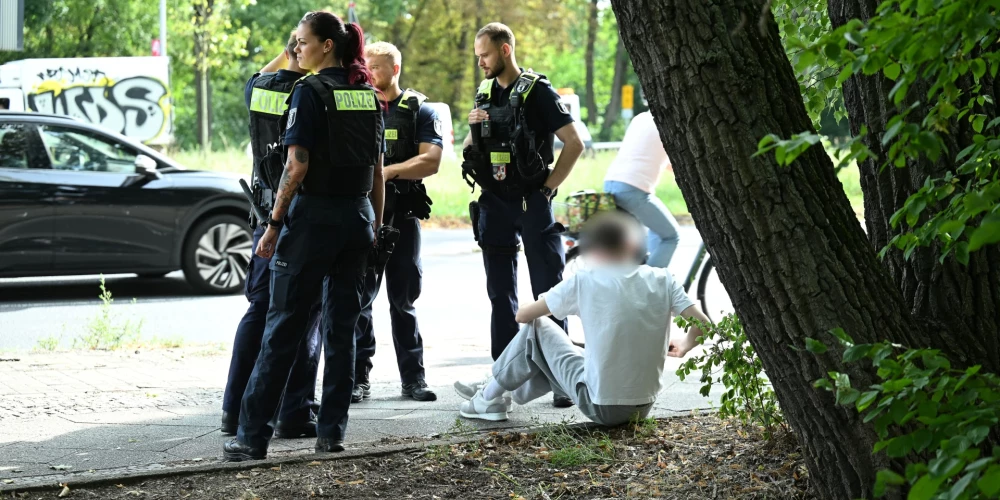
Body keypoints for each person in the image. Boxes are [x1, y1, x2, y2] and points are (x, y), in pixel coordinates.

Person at [223, 10, 386, 461]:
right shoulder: (366, 95)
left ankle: (251, 437)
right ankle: (331, 433)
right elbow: (376, 172)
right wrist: (374, 222)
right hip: (357, 219)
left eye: (303, 41)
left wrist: (274, 223)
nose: (298, 50)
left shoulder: (308, 91)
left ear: (327, 45)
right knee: (341, 330)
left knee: (283, 326)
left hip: (311, 220)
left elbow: (296, 165)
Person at [455, 211, 709, 424]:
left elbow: (524, 316)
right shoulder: (663, 279)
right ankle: (498, 388)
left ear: (593, 250)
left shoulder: (585, 281)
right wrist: (685, 345)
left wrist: (529, 302)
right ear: (632, 246)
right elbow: (704, 326)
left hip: (601, 407)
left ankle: (489, 396)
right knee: (571, 352)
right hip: (644, 406)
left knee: (537, 328)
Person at [458, 22, 585, 408]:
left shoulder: (537, 91)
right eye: (478, 55)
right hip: (494, 201)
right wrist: (472, 130)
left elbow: (574, 143)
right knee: (500, 295)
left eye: (485, 54)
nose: (480, 61)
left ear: (506, 50)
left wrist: (547, 188)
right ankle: (500, 378)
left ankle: (562, 380)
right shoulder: (484, 92)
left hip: (532, 200)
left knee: (549, 292)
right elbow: (469, 146)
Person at [219, 31, 323, 440]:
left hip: (262, 211)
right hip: (296, 211)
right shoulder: (313, 92)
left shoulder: (260, 87)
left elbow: (265, 71)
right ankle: (294, 412)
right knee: (302, 312)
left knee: (259, 308)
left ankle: (233, 409)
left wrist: (287, 49)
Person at [352, 41, 443, 403]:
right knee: (360, 300)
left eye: (375, 67)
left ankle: (413, 380)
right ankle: (358, 379)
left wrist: (387, 172)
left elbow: (431, 161)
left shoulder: (419, 109)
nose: (369, 73)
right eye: (366, 66)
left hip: (403, 217)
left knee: (403, 301)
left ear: (395, 69)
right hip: (366, 218)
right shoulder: (357, 106)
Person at [602, 111, 681, 268]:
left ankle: (642, 271)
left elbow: (647, 153)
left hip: (611, 182)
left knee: (654, 231)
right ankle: (649, 284)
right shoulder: (667, 120)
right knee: (671, 236)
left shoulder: (640, 118)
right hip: (632, 189)